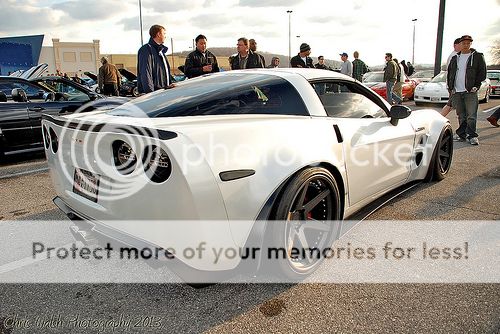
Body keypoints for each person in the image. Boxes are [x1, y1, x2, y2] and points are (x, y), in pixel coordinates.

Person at [446, 35, 486, 145]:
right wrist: (450, 87)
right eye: (464, 43)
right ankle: (462, 134)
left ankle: (472, 136)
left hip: (470, 91)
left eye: (468, 43)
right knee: (461, 115)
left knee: (471, 115)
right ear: (459, 44)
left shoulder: (477, 56)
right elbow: (450, 73)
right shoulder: (455, 58)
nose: (466, 45)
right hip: (457, 91)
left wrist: (476, 86)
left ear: (470, 44)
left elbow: (482, 73)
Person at [137, 24, 175, 94]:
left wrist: (168, 86)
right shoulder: (146, 50)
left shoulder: (160, 51)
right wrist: (151, 94)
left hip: (162, 93)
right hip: (154, 96)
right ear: (158, 34)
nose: (165, 36)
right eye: (164, 33)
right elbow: (146, 73)